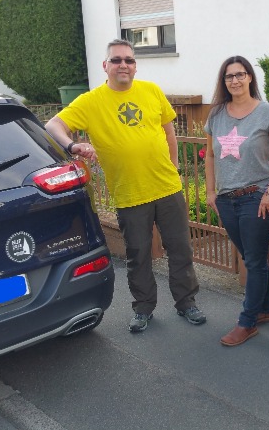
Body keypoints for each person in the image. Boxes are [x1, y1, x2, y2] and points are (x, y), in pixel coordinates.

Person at [45, 39, 206, 333]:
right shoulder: (90, 102)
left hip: (167, 189)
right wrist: (72, 145)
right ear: (105, 65)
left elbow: (169, 132)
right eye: (117, 60)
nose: (123, 65)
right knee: (139, 256)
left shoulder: (151, 91)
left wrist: (174, 169)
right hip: (130, 195)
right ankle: (143, 309)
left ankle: (187, 303)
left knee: (181, 250)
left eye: (129, 60)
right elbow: (52, 126)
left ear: (135, 66)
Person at [204, 56, 269, 346]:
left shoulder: (268, 112)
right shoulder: (216, 115)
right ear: (224, 81)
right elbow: (210, 156)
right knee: (251, 257)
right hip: (227, 199)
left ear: (250, 77)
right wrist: (210, 192)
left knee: (254, 260)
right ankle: (267, 308)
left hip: (259, 197)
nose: (235, 80)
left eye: (240, 74)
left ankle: (247, 322)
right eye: (229, 76)